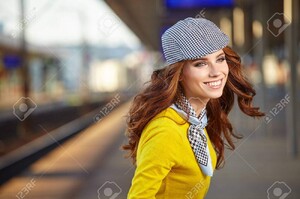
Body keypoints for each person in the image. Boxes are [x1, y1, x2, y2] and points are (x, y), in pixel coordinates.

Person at [123, 17, 264, 198]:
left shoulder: (195, 118)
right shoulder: (166, 130)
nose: (216, 72)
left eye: (220, 59)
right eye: (201, 63)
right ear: (179, 73)